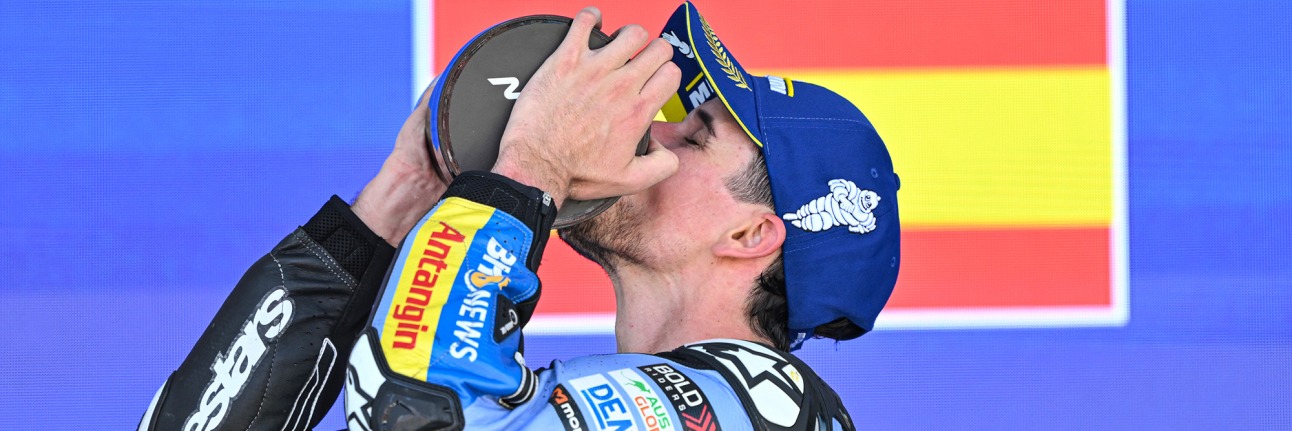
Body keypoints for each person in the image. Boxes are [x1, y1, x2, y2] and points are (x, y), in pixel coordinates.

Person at [139, 2, 899, 430]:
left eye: (693, 134)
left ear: (750, 235)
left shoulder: (762, 412)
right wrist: (400, 200)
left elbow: (415, 416)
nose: (649, 128)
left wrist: (529, 171)